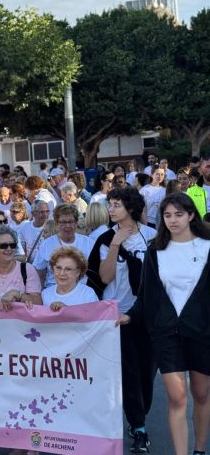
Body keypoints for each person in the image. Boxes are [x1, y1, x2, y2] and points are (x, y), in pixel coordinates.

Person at [119, 193, 210, 455]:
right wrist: (131, 316)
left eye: (179, 214)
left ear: (191, 215)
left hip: (202, 333)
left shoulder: (207, 247)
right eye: (167, 215)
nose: (172, 220)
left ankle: (200, 450)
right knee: (177, 397)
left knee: (202, 395)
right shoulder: (155, 251)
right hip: (166, 334)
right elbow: (146, 295)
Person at [88, 188, 157, 453]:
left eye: (116, 204)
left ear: (130, 206)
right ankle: (139, 427)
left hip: (148, 314)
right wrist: (115, 244)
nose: (111, 209)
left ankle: (139, 413)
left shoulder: (152, 236)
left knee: (147, 374)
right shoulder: (105, 238)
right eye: (110, 205)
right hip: (117, 315)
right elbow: (103, 278)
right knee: (129, 373)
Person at [0, 226, 42, 308]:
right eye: (3, 246)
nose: (9, 248)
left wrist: (18, 295)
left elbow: (38, 303)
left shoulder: (27, 269)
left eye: (12, 245)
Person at [33, 204, 94, 288]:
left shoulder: (88, 243)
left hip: (81, 293)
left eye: (71, 222)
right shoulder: (46, 245)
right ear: (56, 223)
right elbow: (39, 272)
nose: (67, 226)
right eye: (63, 222)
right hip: (54, 292)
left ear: (76, 223)